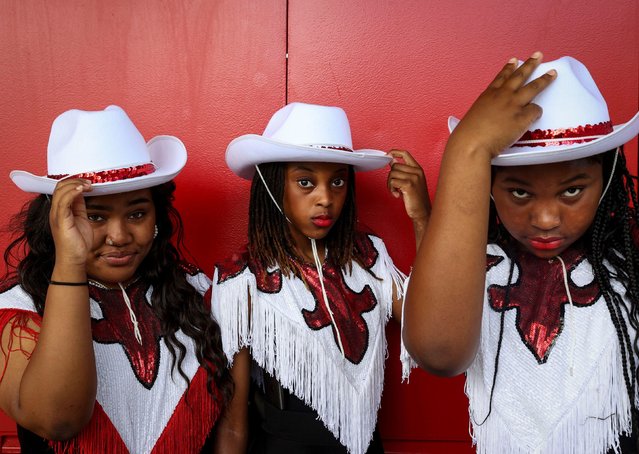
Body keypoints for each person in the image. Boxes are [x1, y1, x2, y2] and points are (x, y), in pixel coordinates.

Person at [403, 52, 639, 453]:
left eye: (572, 191)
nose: (545, 219)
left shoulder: (627, 271)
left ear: (607, 178)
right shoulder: (481, 269)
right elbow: (439, 353)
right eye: (519, 192)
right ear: (488, 187)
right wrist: (469, 150)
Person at [0, 105, 247, 453]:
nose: (119, 236)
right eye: (95, 216)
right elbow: (59, 421)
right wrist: (70, 260)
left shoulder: (198, 292)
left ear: (157, 217)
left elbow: (231, 428)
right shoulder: (18, 309)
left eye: (137, 213)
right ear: (56, 220)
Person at [211, 102, 430, 454]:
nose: (326, 198)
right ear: (273, 184)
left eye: (338, 181)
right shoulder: (243, 282)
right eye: (305, 182)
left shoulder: (368, 258)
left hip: (365, 445)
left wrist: (422, 218)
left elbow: (434, 328)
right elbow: (235, 423)